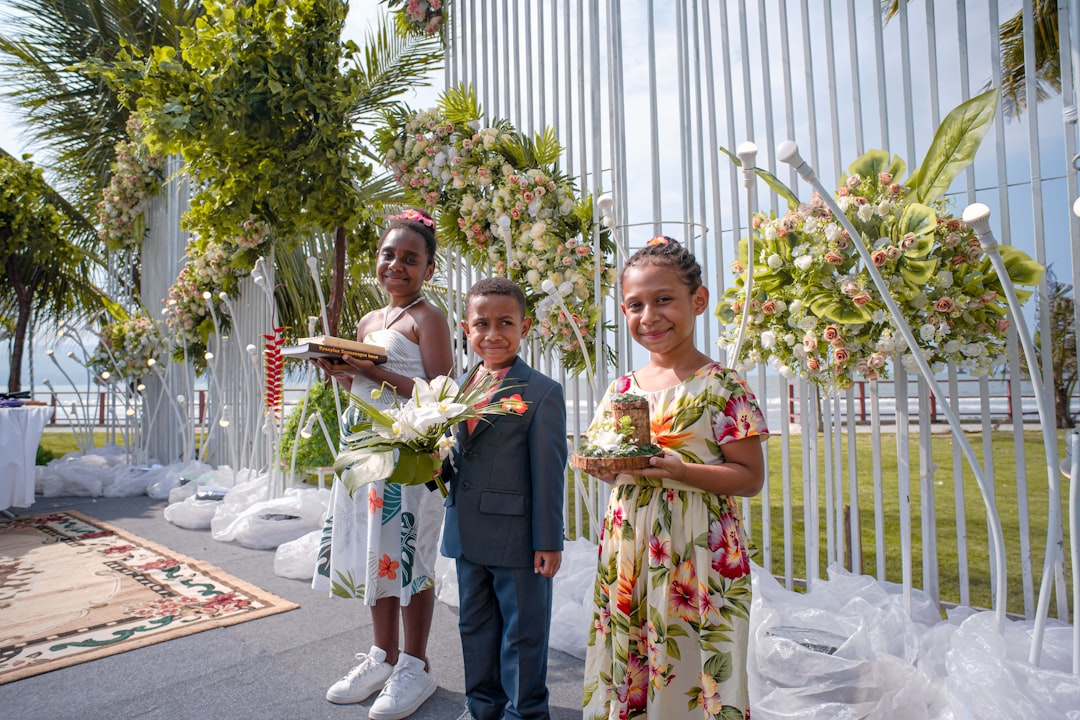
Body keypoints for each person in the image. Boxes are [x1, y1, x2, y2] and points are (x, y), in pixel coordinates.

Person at [580, 236, 769, 719]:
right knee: (633, 660)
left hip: (698, 556)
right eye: (635, 305)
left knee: (692, 666)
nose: (650, 316)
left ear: (698, 301)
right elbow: (612, 467)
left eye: (664, 299)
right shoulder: (621, 388)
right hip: (629, 551)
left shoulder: (722, 384)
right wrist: (606, 464)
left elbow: (748, 478)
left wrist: (682, 472)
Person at [310, 208, 453, 720]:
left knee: (409, 560)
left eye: (410, 258)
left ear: (428, 270)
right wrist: (340, 371)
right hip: (364, 451)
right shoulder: (370, 321)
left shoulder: (428, 318)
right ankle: (382, 656)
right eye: (388, 254)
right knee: (379, 556)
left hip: (410, 457)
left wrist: (376, 368)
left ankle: (416, 664)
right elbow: (360, 385)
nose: (397, 265)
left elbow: (441, 394)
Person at [440, 277, 568, 720]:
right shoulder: (457, 387)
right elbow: (461, 456)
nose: (493, 334)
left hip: (518, 537)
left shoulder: (542, 392)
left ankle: (526, 712)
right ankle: (482, 709)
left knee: (522, 633)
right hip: (466, 533)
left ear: (524, 326)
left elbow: (550, 473)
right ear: (466, 328)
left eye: (505, 323)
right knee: (473, 626)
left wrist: (549, 541)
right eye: (482, 324)